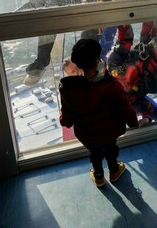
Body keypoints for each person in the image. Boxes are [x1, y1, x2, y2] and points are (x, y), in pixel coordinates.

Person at [59, 39, 138, 188]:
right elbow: (124, 107)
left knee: (94, 153)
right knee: (111, 149)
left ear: (78, 63)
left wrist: (65, 121)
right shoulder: (111, 85)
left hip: (87, 134)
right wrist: (133, 122)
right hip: (110, 131)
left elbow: (67, 118)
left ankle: (99, 176)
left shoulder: (68, 89)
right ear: (98, 60)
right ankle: (114, 171)